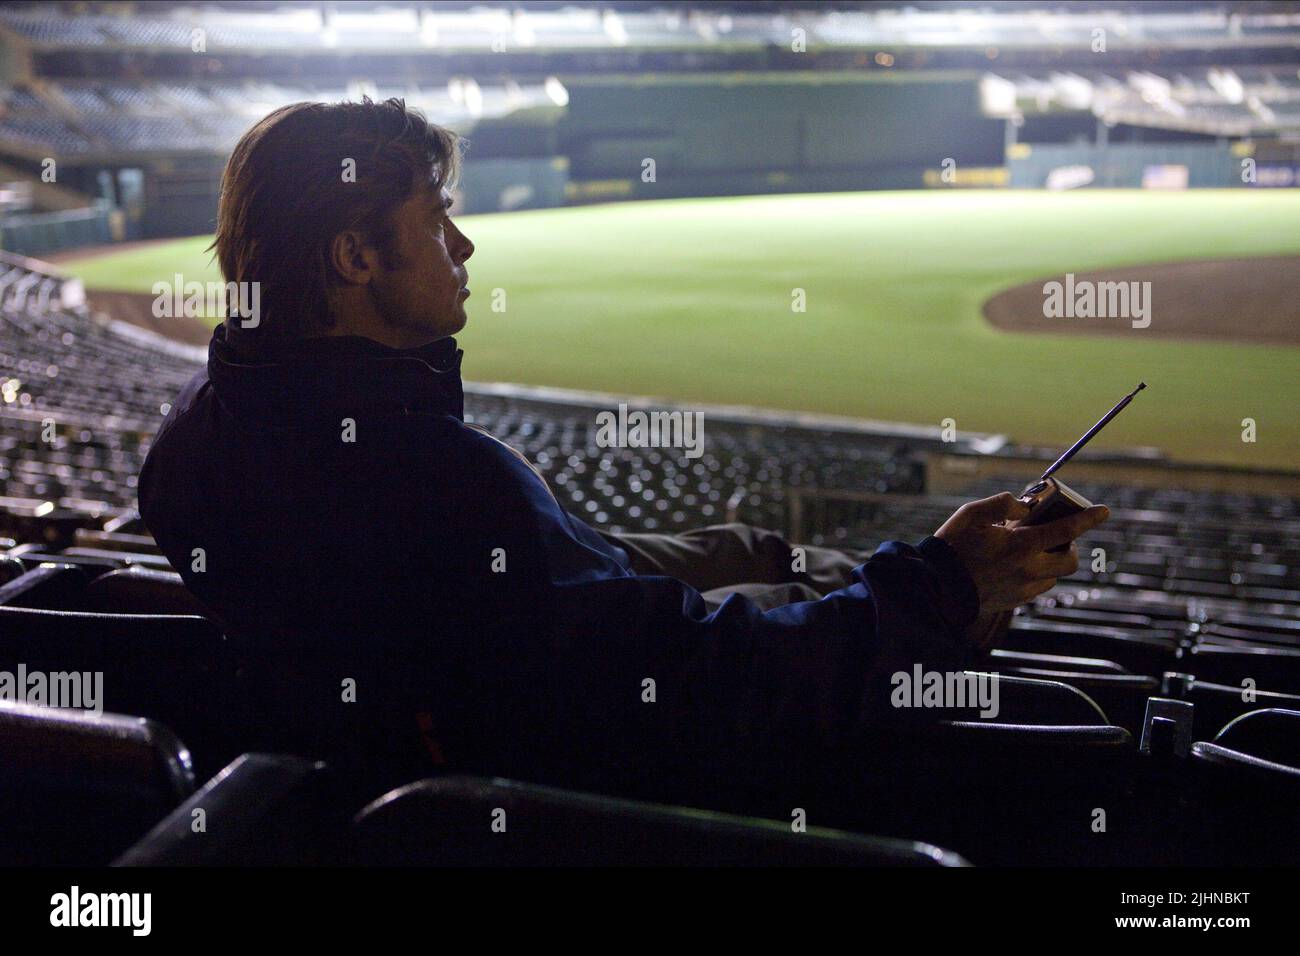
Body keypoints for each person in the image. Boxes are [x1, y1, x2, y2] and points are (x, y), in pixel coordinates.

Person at [139, 99, 1108, 802]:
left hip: (414, 735)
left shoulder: (190, 438)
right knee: (836, 603)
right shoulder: (443, 480)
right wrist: (941, 583)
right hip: (544, 789)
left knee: (752, 549)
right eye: (435, 222)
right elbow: (689, 684)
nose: (464, 246)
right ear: (355, 257)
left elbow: (515, 598)